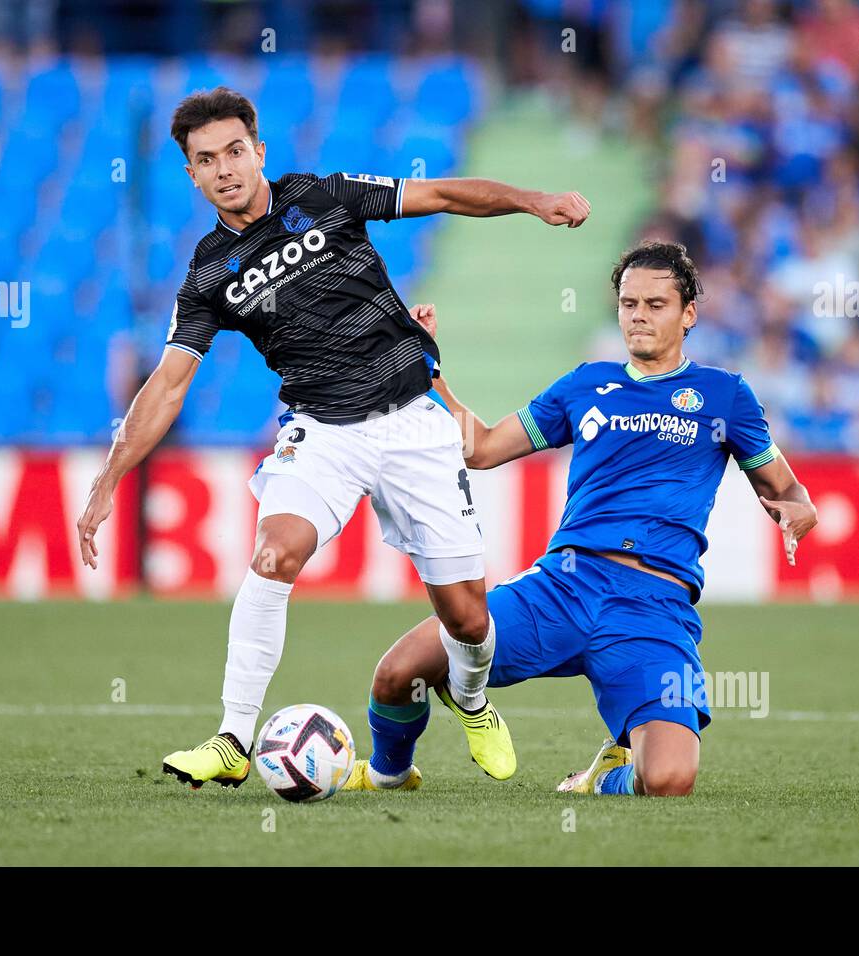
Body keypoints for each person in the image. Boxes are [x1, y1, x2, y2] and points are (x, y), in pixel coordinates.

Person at [74, 86, 592, 789]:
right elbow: (168, 383)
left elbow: (441, 196)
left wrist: (533, 200)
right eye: (206, 160)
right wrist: (109, 480)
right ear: (191, 175)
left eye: (233, 151)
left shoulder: (327, 195)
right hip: (321, 431)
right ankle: (232, 739)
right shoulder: (206, 276)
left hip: (413, 419)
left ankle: (471, 700)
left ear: (258, 152)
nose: (224, 168)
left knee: (468, 620)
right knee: (272, 555)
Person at [344, 240, 818, 796]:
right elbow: (483, 448)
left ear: (689, 313)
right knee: (399, 672)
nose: (638, 315)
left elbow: (785, 488)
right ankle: (388, 773)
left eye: (656, 304)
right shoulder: (585, 385)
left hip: (653, 609)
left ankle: (602, 779)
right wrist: (428, 374)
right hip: (564, 587)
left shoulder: (725, 396)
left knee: (668, 781)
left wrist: (797, 511)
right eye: (628, 303)